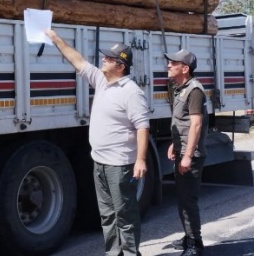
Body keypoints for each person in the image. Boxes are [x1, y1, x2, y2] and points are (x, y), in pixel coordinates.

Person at [46, 30, 150, 256]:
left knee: (125, 214)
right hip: (100, 162)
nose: (104, 59)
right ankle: (114, 253)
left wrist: (141, 159)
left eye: (110, 58)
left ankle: (131, 253)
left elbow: (142, 126)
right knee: (107, 214)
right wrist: (56, 39)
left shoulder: (131, 92)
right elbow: (78, 60)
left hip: (120, 165)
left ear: (120, 66)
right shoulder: (102, 81)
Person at [165, 49, 208, 256]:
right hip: (182, 149)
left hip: (191, 155)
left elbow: (196, 125)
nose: (169, 65)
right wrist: (175, 144)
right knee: (182, 198)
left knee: (188, 200)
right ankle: (188, 235)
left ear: (185, 68)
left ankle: (195, 244)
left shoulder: (194, 90)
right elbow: (182, 122)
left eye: (173, 63)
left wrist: (188, 155)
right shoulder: (180, 88)